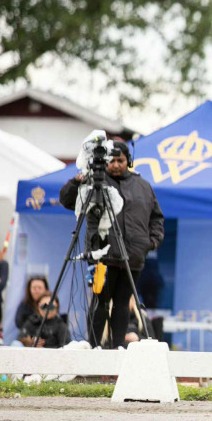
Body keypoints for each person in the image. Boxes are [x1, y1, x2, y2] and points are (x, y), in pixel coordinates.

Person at [59, 140, 164, 348]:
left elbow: (156, 217)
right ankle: (95, 346)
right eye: (112, 160)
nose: (116, 165)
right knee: (100, 302)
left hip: (133, 255)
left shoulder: (143, 185)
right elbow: (67, 200)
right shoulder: (94, 182)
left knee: (123, 304)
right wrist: (76, 181)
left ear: (128, 161)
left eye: (120, 160)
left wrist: (151, 242)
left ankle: (117, 348)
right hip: (103, 254)